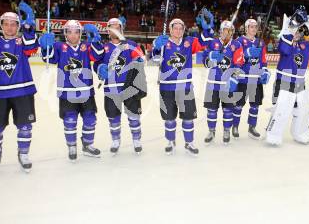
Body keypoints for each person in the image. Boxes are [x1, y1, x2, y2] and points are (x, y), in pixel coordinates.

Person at [0, 2, 38, 176]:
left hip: (22, 90)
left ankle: (23, 154)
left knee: (25, 127)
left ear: (18, 26)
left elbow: (32, 48)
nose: (9, 27)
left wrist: (30, 27)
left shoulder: (22, 41)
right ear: (1, 25)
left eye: (13, 23)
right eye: (6, 23)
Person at [39, 20, 102, 161]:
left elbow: (98, 55)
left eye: (76, 32)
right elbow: (49, 59)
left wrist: (96, 39)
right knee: (70, 120)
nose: (73, 35)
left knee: (90, 119)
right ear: (65, 33)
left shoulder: (86, 46)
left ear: (80, 33)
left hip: (86, 91)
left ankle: (87, 144)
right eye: (69, 32)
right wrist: (45, 47)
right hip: (66, 91)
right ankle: (72, 146)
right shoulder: (59, 46)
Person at [151, 18, 210, 156]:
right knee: (169, 118)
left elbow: (204, 42)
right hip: (167, 88)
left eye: (180, 28)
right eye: (175, 28)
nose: (178, 31)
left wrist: (206, 29)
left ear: (184, 30)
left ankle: (189, 143)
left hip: (185, 87)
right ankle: (170, 142)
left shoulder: (189, 42)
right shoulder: (164, 43)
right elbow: (154, 60)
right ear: (170, 29)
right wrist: (156, 47)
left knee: (188, 118)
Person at [94, 18, 146, 155]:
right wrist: (100, 69)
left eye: (117, 27)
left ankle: (136, 140)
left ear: (121, 28)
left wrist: (139, 60)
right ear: (108, 30)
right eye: (112, 27)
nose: (115, 30)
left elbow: (140, 58)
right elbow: (96, 64)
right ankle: (115, 140)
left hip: (130, 87)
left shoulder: (130, 44)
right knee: (113, 117)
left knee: (134, 116)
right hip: (111, 88)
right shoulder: (103, 47)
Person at [265, 6, 309, 146]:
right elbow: (284, 49)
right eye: (295, 30)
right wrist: (291, 26)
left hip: (299, 82)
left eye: (300, 30)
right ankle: (273, 133)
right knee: (281, 109)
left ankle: (300, 132)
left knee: (302, 109)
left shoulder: (305, 45)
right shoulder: (285, 41)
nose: (297, 33)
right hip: (285, 80)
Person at [203, 20, 244, 145]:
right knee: (211, 110)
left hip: (228, 84)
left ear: (232, 33)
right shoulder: (212, 43)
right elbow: (205, 63)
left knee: (228, 110)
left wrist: (233, 79)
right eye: (225, 31)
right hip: (213, 83)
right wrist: (210, 57)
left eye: (230, 31)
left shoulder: (236, 45)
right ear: (220, 31)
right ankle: (211, 131)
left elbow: (238, 65)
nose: (227, 33)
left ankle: (227, 130)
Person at [232, 18, 269, 140]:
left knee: (255, 106)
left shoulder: (261, 42)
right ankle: (235, 126)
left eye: (255, 27)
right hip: (243, 79)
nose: (254, 29)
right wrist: (246, 53)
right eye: (251, 26)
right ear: (246, 28)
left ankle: (252, 127)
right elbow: (236, 60)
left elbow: (263, 60)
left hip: (256, 79)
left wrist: (265, 71)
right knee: (238, 105)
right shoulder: (239, 41)